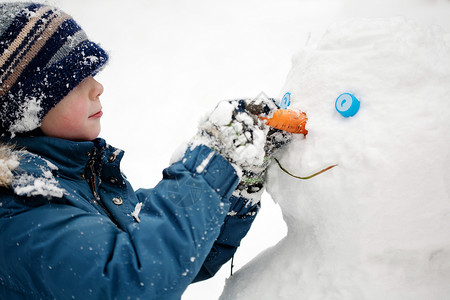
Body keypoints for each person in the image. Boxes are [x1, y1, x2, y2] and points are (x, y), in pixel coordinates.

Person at [0, 3, 291, 299]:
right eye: (75, 79)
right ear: (24, 107)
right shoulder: (18, 218)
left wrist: (237, 177)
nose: (97, 87)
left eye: (93, 73)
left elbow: (181, 255)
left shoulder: (73, 185)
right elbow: (134, 280)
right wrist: (211, 160)